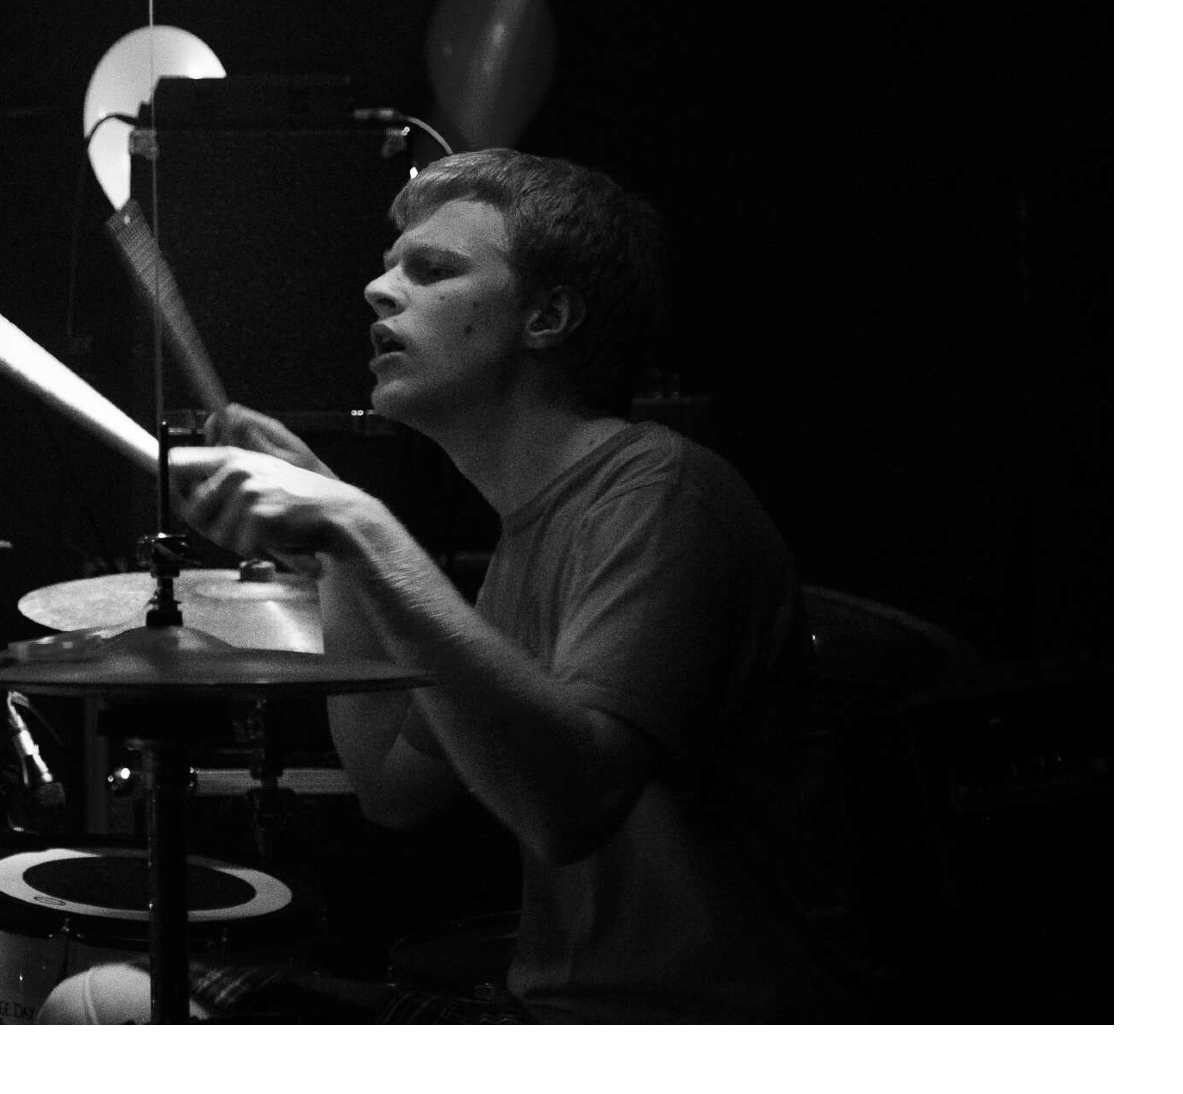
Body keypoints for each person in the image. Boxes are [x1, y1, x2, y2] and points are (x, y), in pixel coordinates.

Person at [43, 148, 868, 1023]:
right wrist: (338, 555)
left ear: (546, 316)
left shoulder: (663, 496)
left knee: (102, 1009)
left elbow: (569, 805)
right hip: (552, 1020)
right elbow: (391, 784)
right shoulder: (534, 528)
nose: (377, 289)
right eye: (389, 265)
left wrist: (364, 528)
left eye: (430, 270)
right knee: (109, 1001)